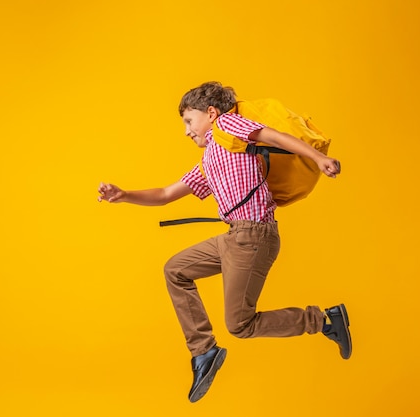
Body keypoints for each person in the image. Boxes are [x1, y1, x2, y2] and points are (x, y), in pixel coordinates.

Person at [97, 81, 351, 403]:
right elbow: (165, 194)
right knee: (175, 270)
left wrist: (317, 158)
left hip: (253, 235)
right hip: (235, 237)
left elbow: (273, 137)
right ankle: (204, 352)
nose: (186, 131)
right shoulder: (210, 161)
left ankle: (325, 320)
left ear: (212, 113)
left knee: (240, 324)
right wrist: (124, 195)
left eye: (189, 121)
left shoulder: (225, 127)